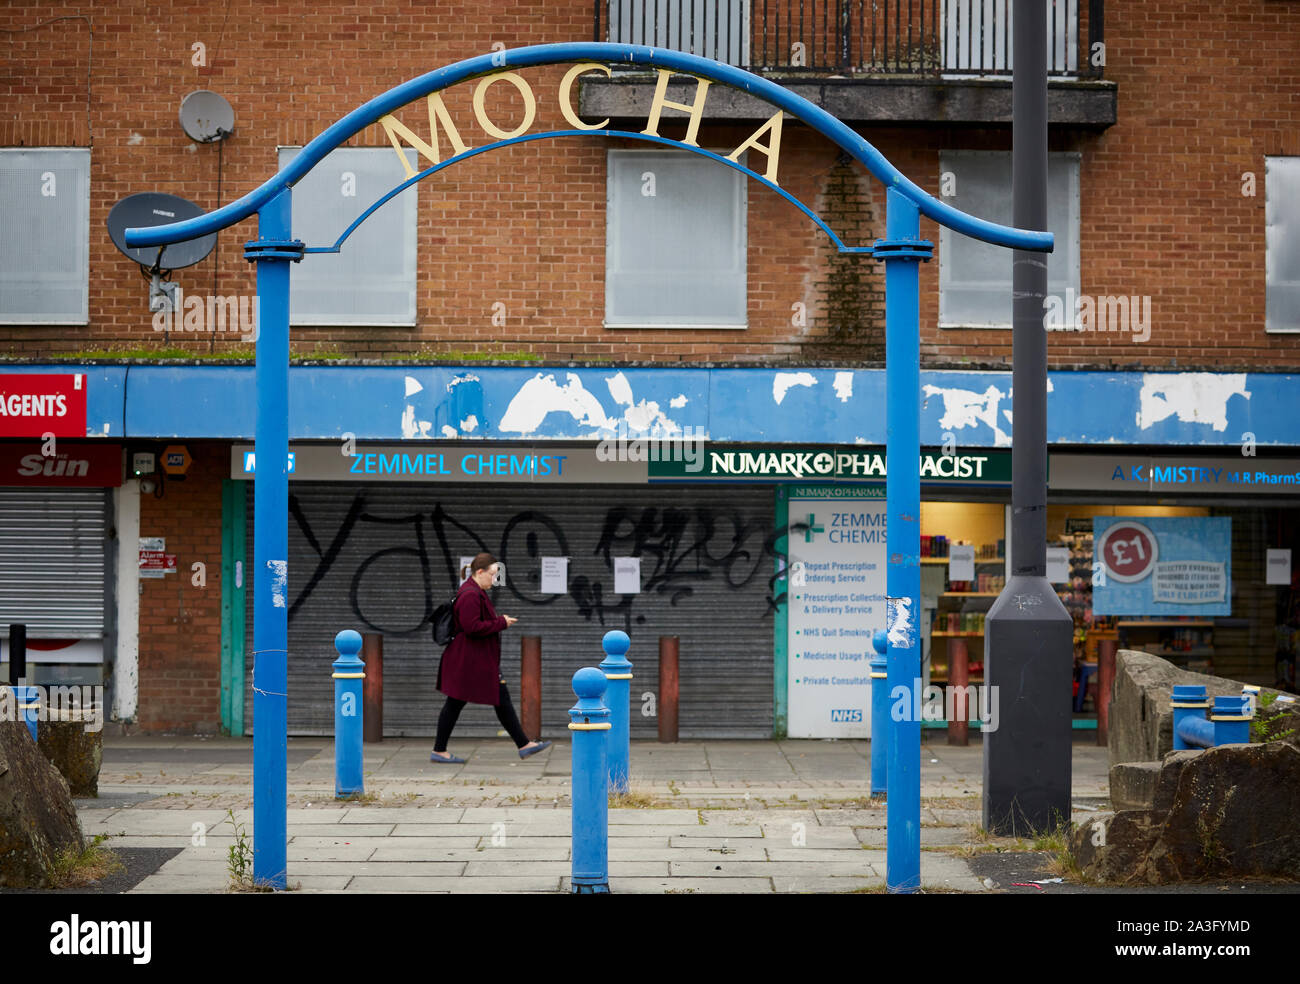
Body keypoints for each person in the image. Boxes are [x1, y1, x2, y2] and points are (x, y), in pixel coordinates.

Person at [431, 552, 551, 763]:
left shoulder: (474, 591)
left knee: (478, 701)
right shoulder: (470, 594)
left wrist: (499, 622)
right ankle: (523, 745)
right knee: (468, 702)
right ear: (480, 572)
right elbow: (471, 627)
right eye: (493, 574)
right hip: (469, 661)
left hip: (473, 659)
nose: (494, 580)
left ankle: (523, 744)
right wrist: (501, 622)